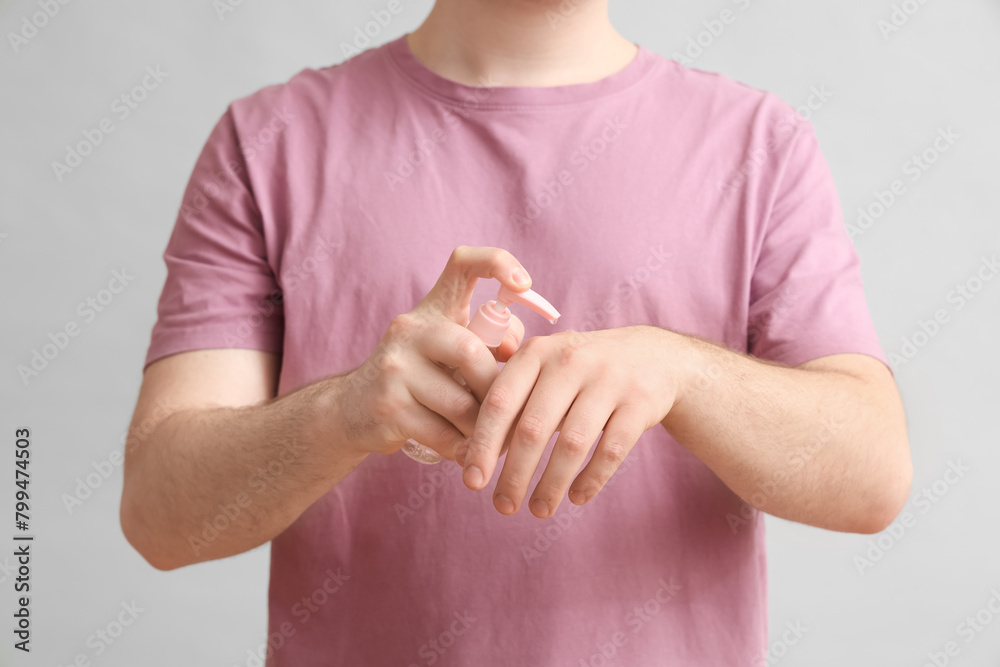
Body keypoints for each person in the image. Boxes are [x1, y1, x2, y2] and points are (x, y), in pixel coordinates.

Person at [120, 0, 912, 664]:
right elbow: (161, 513)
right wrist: (346, 411)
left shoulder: (759, 145)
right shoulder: (268, 145)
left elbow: (873, 472)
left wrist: (681, 372)